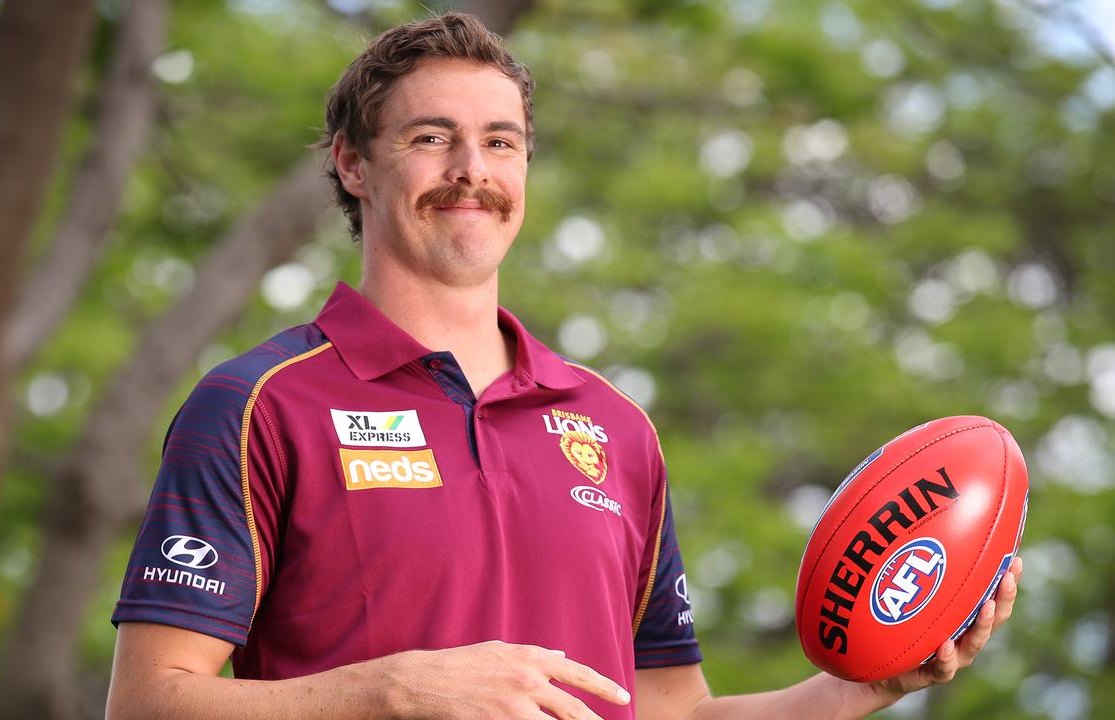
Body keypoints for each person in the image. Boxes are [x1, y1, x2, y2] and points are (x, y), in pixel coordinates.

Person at [105, 12, 1022, 720]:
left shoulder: (616, 428)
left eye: (501, 141)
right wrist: (389, 693)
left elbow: (670, 711)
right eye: (431, 137)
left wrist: (859, 691)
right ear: (352, 163)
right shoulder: (257, 404)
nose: (473, 169)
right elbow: (149, 701)